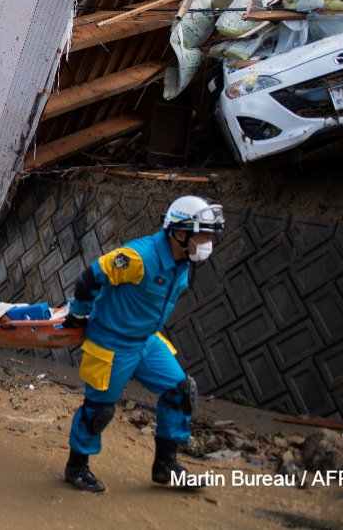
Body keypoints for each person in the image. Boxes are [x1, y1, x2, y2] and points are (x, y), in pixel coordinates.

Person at [62, 196, 225, 493]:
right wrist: (79, 312)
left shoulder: (182, 262)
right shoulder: (138, 258)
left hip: (146, 341)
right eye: (204, 235)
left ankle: (166, 466)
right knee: (98, 410)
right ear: (179, 232)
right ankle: (76, 467)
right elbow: (89, 279)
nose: (208, 243)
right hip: (112, 341)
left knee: (180, 391)